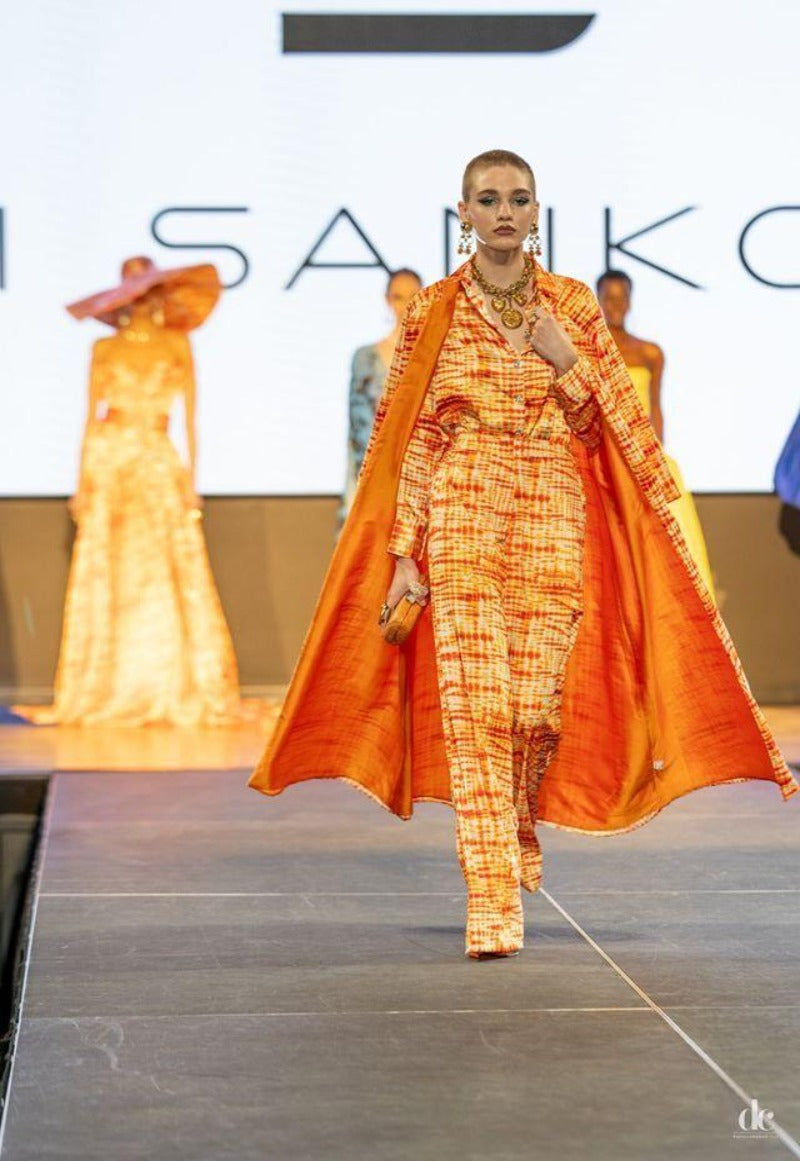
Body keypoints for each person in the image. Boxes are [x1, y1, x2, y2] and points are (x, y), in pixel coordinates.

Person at [249, 150, 798, 960]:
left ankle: (514, 824)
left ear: (536, 212)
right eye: (488, 199)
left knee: (533, 710)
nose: (503, 212)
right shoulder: (436, 309)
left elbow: (612, 425)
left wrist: (566, 358)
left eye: (517, 199)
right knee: (476, 707)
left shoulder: (570, 305)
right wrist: (404, 551)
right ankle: (491, 891)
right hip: (464, 509)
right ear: (464, 213)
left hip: (552, 507)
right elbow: (413, 436)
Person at [21, 257, 242, 726]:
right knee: (108, 566)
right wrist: (81, 483)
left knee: (164, 565)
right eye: (134, 290)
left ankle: (165, 681)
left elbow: (191, 418)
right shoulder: (104, 347)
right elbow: (88, 417)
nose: (142, 300)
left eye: (149, 289)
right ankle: (104, 684)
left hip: (157, 458)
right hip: (111, 459)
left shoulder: (177, 344)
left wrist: (193, 481)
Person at [596, 269, 715, 598]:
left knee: (668, 531)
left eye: (622, 298)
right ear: (599, 300)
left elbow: (656, 408)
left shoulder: (650, 353)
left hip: (643, 452)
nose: (616, 305)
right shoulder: (590, 351)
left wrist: (658, 454)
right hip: (604, 451)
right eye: (609, 298)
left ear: (630, 301)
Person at [340, 268, 423, 525]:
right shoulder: (365, 358)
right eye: (398, 297)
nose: (405, 305)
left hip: (422, 474)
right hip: (377, 475)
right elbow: (359, 428)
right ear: (387, 300)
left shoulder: (436, 355)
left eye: (413, 296)